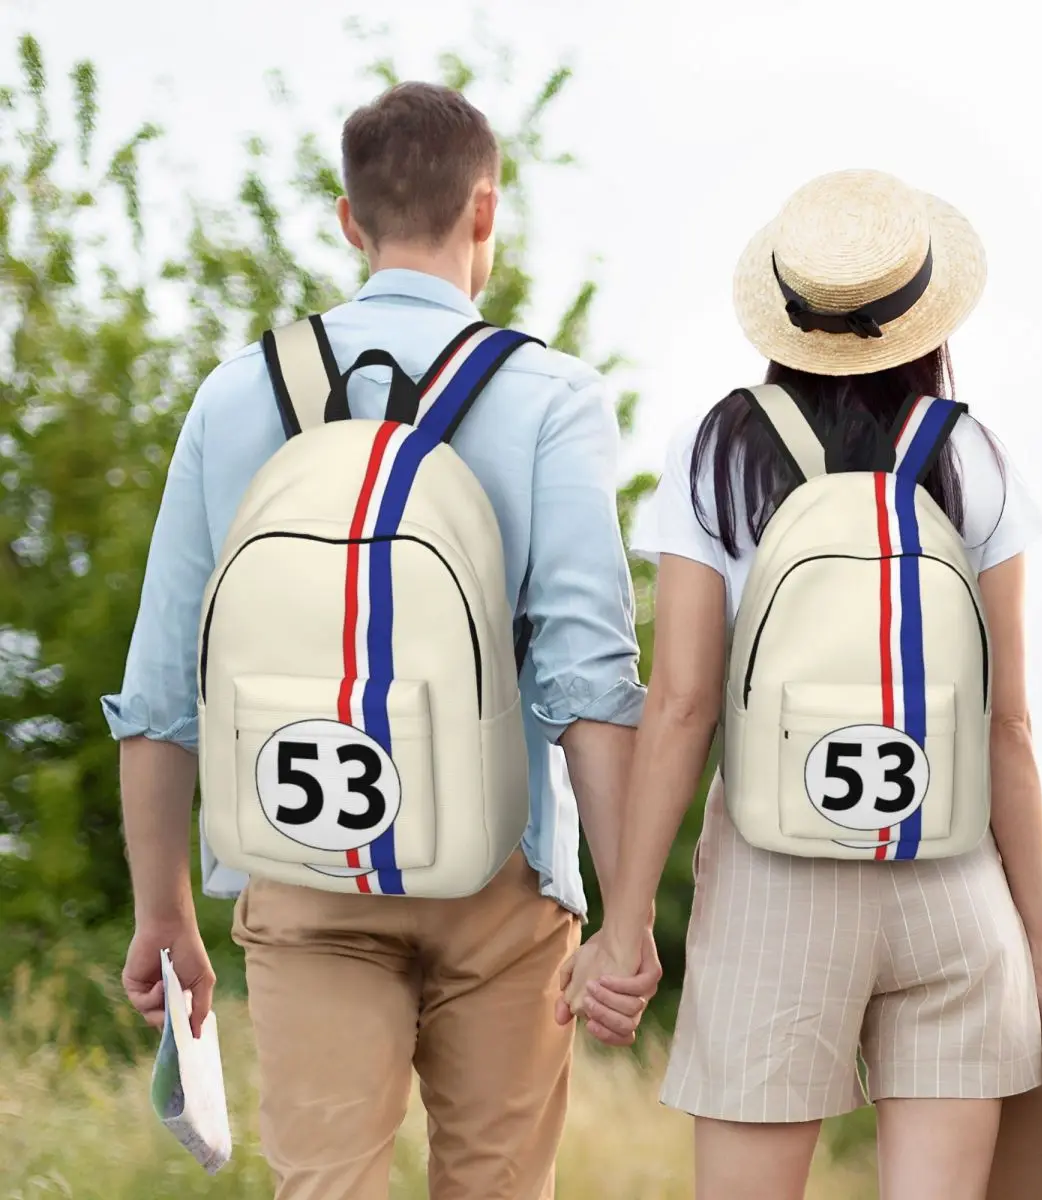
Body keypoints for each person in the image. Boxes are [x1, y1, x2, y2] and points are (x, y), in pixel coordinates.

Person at [105, 81, 660, 1200]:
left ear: (349, 220)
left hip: (300, 858)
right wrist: (627, 915)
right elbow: (588, 679)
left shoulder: (235, 395)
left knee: (325, 1186)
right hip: (501, 871)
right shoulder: (550, 396)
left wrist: (162, 911)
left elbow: (164, 685)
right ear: (485, 213)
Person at [561, 169, 1042, 1200]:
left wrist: (623, 927)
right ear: (925, 316)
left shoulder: (718, 451)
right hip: (952, 878)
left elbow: (681, 705)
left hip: (774, 881)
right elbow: (1008, 723)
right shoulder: (972, 456)